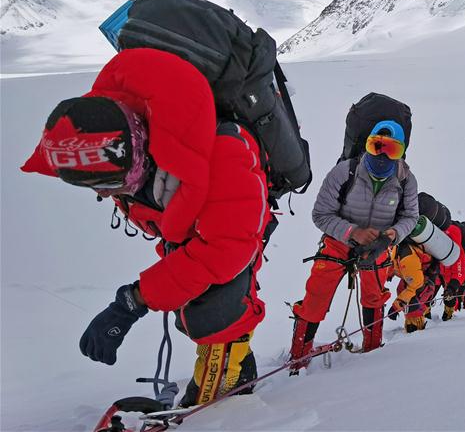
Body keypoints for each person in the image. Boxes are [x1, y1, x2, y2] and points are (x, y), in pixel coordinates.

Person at [21, 49, 271, 407]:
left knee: (218, 311)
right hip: (205, 225)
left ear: (137, 152)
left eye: (109, 184)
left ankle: (226, 395)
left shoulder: (224, 156)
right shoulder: (137, 166)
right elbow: (174, 231)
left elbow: (224, 251)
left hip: (235, 227)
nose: (104, 195)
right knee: (190, 298)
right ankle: (233, 369)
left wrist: (134, 300)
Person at [290, 120, 418, 371]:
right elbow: (320, 214)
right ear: (367, 145)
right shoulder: (344, 172)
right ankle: (298, 358)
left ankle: (372, 354)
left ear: (401, 152)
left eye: (391, 150)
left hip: (378, 247)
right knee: (316, 296)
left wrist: (392, 234)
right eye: (376, 145)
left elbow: (410, 218)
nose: (382, 154)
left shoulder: (406, 180)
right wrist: (353, 232)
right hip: (338, 243)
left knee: (374, 297)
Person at [388, 229, 437, 333]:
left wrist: (395, 306)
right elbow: (395, 265)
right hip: (416, 276)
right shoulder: (397, 249)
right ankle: (411, 324)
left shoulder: (407, 258)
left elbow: (416, 285)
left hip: (424, 283)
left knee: (412, 299)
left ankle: (417, 329)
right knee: (402, 290)